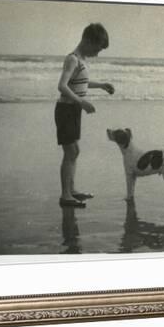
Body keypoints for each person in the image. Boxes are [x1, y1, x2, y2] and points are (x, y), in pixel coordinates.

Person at [55, 23, 115, 207]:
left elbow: (82, 83)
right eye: (97, 49)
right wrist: (82, 102)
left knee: (75, 151)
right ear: (88, 41)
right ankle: (66, 196)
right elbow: (62, 86)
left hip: (73, 111)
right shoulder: (72, 59)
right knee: (70, 151)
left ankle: (71, 191)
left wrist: (102, 85)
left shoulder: (81, 60)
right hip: (65, 110)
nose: (97, 54)